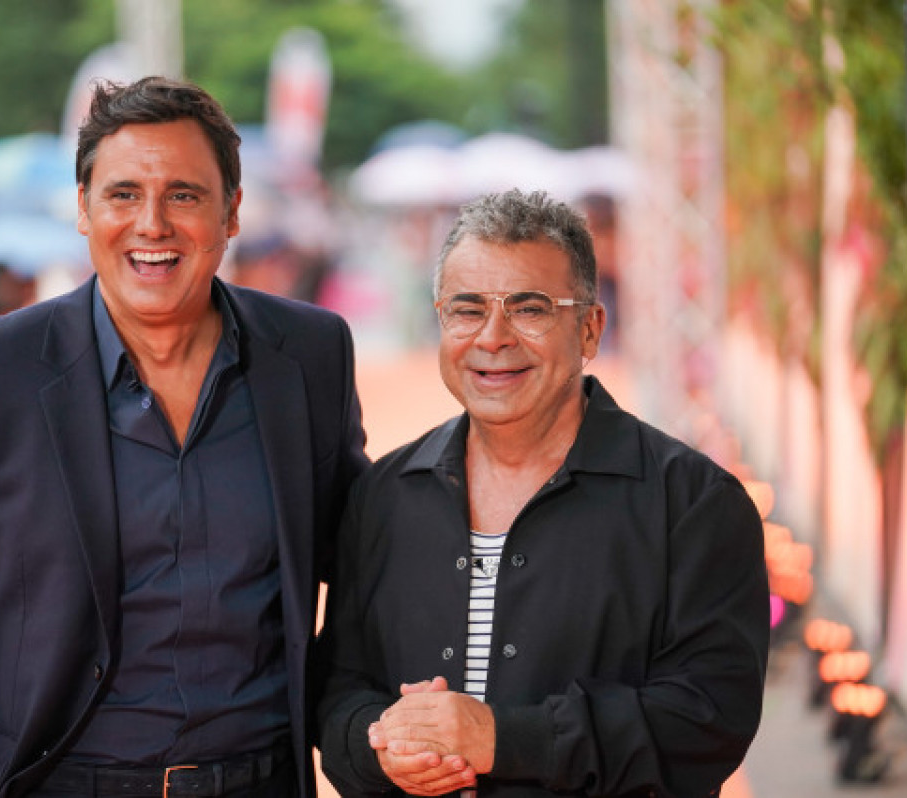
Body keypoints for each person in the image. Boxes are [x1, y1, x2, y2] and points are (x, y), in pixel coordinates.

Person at [0, 76, 369, 798]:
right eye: (123, 194)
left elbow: (362, 571)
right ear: (83, 208)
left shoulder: (310, 354)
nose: (151, 224)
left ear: (231, 212)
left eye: (184, 195)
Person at [319, 189, 769, 797]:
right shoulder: (382, 496)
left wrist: (503, 740)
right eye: (467, 310)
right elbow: (337, 689)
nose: (493, 338)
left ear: (589, 328)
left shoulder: (693, 505)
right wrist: (383, 746)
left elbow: (708, 720)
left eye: (529, 309)